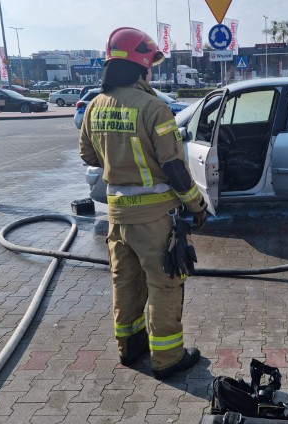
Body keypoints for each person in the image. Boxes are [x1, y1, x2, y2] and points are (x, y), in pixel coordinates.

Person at [79, 27, 208, 379]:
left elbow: (88, 155)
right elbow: (175, 169)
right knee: (164, 284)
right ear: (141, 66)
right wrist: (197, 206)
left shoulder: (95, 106)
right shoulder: (154, 108)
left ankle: (130, 348)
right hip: (154, 219)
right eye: (150, 63)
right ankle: (167, 359)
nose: (152, 70)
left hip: (116, 217)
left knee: (125, 282)